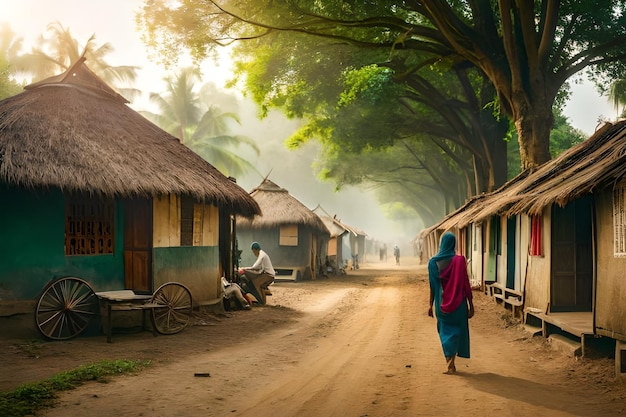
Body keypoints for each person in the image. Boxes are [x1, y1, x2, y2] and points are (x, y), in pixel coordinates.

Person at [427, 231, 475, 374]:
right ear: (454, 244)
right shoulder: (460, 261)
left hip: (441, 305)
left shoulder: (433, 262)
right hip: (459, 304)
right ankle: (451, 361)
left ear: (441, 244)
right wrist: (471, 305)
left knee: (444, 331)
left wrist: (430, 305)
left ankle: (450, 360)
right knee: (457, 331)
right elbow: (466, 284)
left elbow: (432, 286)